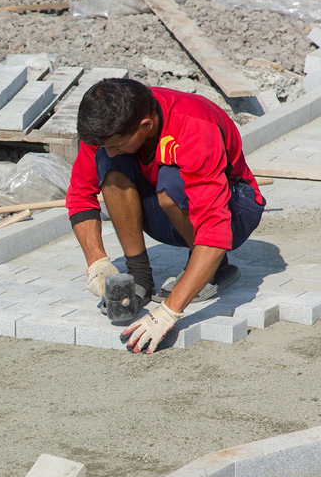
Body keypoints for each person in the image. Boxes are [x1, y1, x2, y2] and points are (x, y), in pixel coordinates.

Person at [67, 78, 265, 354]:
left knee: (172, 183)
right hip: (169, 208)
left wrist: (168, 312)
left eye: (117, 144)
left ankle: (215, 269)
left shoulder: (194, 125)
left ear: (145, 126)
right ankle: (141, 277)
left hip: (235, 209)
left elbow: (216, 227)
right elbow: (80, 195)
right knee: (111, 166)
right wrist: (96, 262)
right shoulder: (107, 125)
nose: (109, 150)